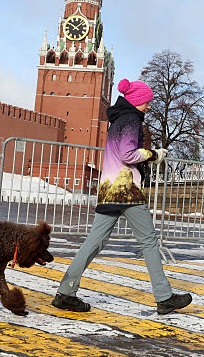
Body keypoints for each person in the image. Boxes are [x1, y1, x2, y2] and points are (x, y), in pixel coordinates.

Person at [52, 79, 192, 315]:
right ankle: (164, 297)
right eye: (147, 102)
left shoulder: (117, 120)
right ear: (137, 101)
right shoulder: (131, 120)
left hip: (109, 189)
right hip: (127, 190)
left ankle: (65, 292)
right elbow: (127, 154)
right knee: (149, 241)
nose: (149, 106)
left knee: (94, 242)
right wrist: (153, 155)